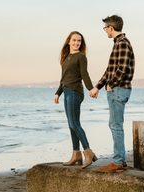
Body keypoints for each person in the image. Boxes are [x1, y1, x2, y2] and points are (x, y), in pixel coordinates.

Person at [90, 15, 135, 172]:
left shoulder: (122, 44)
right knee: (115, 125)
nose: (105, 31)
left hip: (118, 89)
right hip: (116, 89)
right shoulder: (119, 44)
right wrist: (98, 87)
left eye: (105, 28)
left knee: (116, 125)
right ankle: (120, 161)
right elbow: (110, 70)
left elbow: (121, 70)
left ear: (111, 28)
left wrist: (111, 84)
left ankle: (117, 162)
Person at [54, 31, 97, 169]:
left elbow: (85, 74)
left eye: (79, 41)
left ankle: (88, 152)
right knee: (71, 124)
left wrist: (91, 88)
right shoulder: (66, 57)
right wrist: (58, 93)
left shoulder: (81, 57)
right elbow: (64, 78)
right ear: (69, 41)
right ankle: (76, 154)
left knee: (74, 124)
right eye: (74, 40)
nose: (76, 43)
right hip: (67, 91)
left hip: (75, 92)